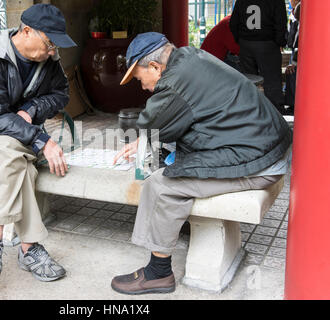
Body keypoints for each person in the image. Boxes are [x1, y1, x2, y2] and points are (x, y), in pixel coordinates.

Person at [110, 32, 292, 295]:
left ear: (154, 67)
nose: (142, 87)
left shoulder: (175, 82)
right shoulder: (190, 57)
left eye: (139, 79)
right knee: (175, 154)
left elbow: (152, 122)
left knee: (162, 184)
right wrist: (144, 140)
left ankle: (158, 273)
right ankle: (171, 230)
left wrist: (142, 138)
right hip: (265, 145)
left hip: (258, 160)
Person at [0, 4, 76, 281]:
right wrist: (41, 140)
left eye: (55, 46)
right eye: (49, 43)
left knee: (10, 151)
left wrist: (32, 109)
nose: (52, 52)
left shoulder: (49, 60)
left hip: (18, 140)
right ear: (27, 31)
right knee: (18, 161)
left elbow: (61, 95)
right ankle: (29, 247)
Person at [230, 0, 288, 114]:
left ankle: (250, 111)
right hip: (267, 43)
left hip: (246, 43)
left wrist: (240, 40)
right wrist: (279, 42)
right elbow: (281, 22)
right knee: (272, 81)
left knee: (249, 81)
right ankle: (276, 113)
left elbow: (233, 23)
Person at [285, 0, 301, 113]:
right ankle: (292, 103)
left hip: (298, 55)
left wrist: (294, 63)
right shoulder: (299, 24)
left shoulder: (305, 27)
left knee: (291, 73)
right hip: (295, 51)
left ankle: (294, 104)